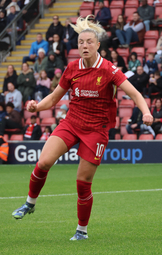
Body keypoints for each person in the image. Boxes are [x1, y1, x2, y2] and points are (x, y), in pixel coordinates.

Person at [11, 15, 153, 241]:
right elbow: (54, 97)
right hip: (71, 123)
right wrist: (37, 107)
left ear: (98, 45)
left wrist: (145, 112)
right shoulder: (71, 68)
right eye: (80, 42)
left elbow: (135, 94)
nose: (84, 46)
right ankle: (30, 203)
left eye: (89, 42)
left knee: (82, 183)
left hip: (96, 130)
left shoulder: (108, 70)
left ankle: (82, 230)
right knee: (44, 161)